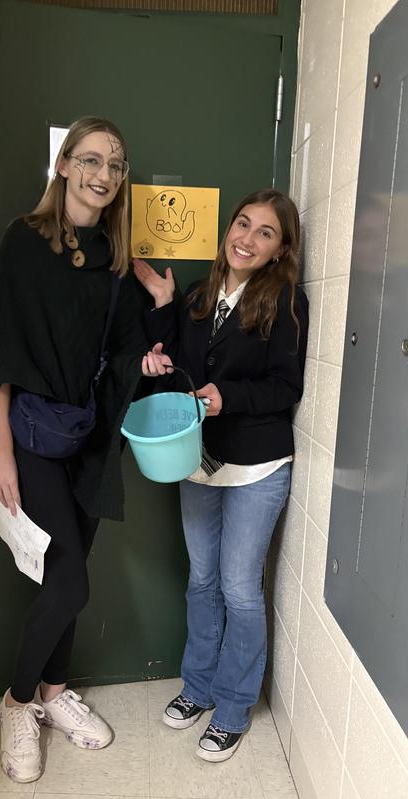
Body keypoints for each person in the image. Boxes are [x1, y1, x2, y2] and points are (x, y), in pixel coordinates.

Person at [0, 117, 171, 783]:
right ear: (64, 165)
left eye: (115, 164)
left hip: (88, 439)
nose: (103, 173)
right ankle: (17, 700)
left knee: (67, 577)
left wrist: (156, 315)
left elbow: (124, 353)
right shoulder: (24, 244)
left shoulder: (114, 263)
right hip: (30, 437)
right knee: (68, 579)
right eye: (91, 159)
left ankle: (55, 693)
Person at [134, 188, 308, 762]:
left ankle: (232, 708)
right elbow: (178, 365)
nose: (247, 238)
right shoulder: (198, 295)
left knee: (238, 588)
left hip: (257, 466)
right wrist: (159, 334)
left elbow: (286, 387)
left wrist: (225, 399)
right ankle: (198, 688)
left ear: (281, 251)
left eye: (265, 233)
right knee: (202, 580)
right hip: (198, 464)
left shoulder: (285, 301)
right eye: (242, 224)